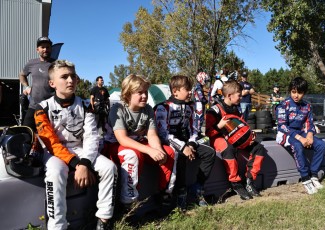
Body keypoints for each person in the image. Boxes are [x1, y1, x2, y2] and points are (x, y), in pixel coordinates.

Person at [34, 60, 117, 230]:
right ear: (52, 83)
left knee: (109, 167)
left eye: (73, 76)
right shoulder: (42, 108)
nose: (70, 80)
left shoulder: (86, 105)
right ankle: (57, 226)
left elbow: (92, 136)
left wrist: (85, 162)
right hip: (54, 153)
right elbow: (51, 143)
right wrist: (77, 164)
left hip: (81, 149)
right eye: (64, 77)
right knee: (56, 171)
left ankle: (104, 219)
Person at [106, 74, 176, 209]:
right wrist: (150, 150)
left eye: (145, 92)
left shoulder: (148, 109)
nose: (144, 96)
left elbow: (152, 134)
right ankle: (128, 203)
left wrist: (158, 150)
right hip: (116, 145)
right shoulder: (118, 108)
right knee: (132, 155)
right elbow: (122, 139)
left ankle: (164, 194)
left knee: (169, 152)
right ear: (127, 94)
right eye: (140, 93)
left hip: (139, 143)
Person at [154, 75, 216, 211]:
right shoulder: (162, 108)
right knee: (179, 157)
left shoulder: (190, 107)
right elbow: (163, 134)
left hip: (187, 143)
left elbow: (195, 129)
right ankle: (178, 195)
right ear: (175, 91)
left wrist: (192, 145)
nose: (190, 92)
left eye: (190, 89)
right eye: (187, 89)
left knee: (210, 153)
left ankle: (197, 188)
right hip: (170, 144)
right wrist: (183, 147)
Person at [206, 80, 266, 200]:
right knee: (229, 148)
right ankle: (235, 183)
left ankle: (249, 181)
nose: (241, 96)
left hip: (236, 138)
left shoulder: (236, 109)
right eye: (239, 94)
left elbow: (242, 126)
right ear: (229, 95)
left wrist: (250, 134)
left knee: (258, 148)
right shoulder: (214, 110)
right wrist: (219, 126)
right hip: (218, 138)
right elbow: (208, 133)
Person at [276, 77, 325, 195]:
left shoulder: (307, 106)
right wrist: (301, 138)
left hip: (300, 132)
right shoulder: (284, 104)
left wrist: (309, 135)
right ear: (290, 91)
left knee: (322, 145)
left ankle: (313, 175)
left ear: (304, 93)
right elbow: (281, 126)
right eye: (294, 92)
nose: (296, 95)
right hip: (285, 134)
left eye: (299, 92)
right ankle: (305, 178)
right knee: (298, 146)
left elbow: (310, 124)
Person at [19, 36, 55, 131]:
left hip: (51, 107)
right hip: (33, 106)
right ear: (37, 49)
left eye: (47, 47)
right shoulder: (31, 63)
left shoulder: (56, 64)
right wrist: (26, 87)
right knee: (26, 133)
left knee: (49, 136)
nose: (45, 49)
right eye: (42, 47)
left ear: (51, 49)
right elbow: (22, 75)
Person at [193, 71, 210, 136]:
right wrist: (205, 101)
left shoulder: (199, 87)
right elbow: (201, 98)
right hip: (198, 105)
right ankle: (197, 132)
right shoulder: (198, 87)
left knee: (200, 119)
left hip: (199, 105)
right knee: (199, 119)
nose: (205, 82)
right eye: (205, 80)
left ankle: (198, 132)